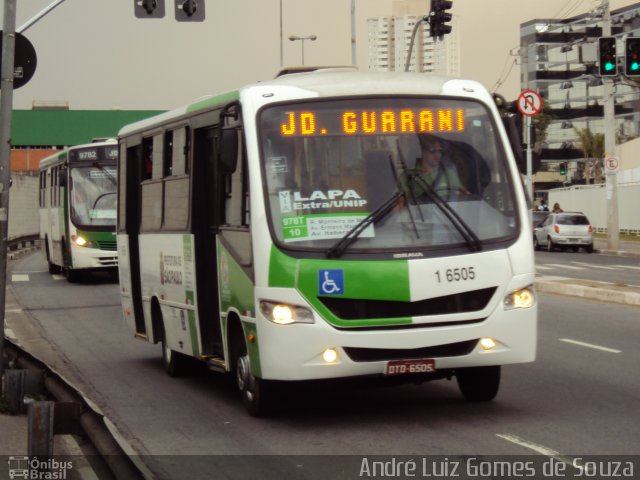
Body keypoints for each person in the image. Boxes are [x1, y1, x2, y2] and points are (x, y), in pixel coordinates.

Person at [400, 134, 469, 200]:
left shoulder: (448, 173)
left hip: (446, 211)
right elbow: (399, 200)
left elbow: (463, 195)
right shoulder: (408, 176)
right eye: (433, 151)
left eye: (439, 151)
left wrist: (465, 195)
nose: (438, 155)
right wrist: (401, 200)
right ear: (422, 152)